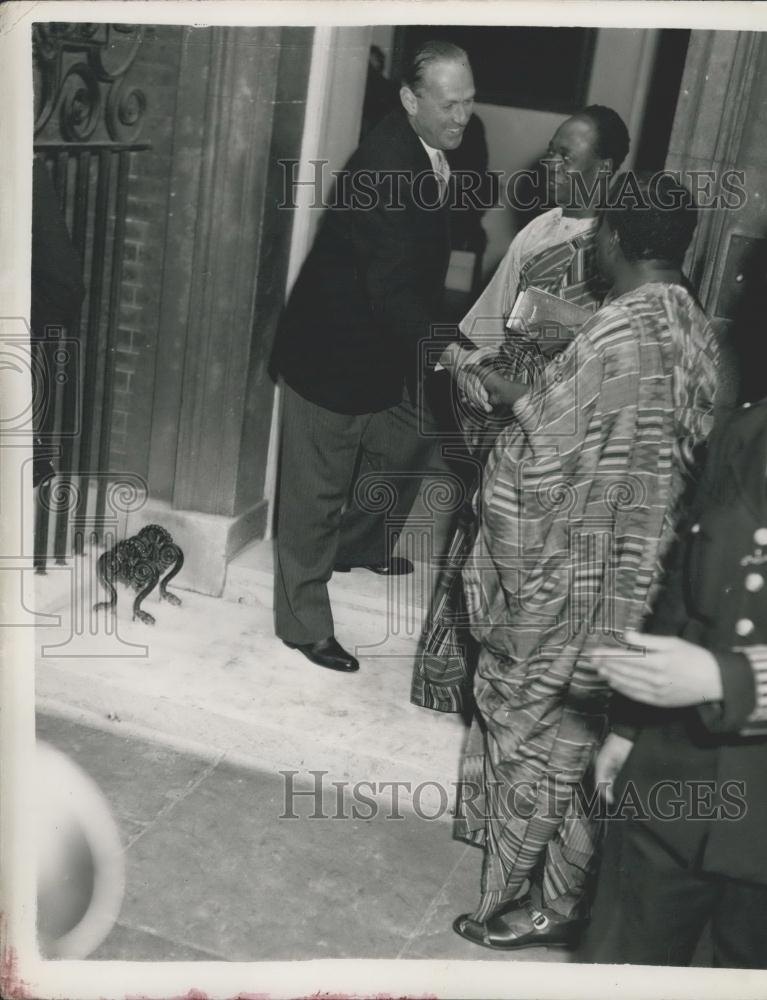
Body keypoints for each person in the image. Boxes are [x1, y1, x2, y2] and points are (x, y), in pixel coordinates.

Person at [447, 172, 722, 950]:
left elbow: (537, 460)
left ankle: (517, 900)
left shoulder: (616, 331)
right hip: (645, 576)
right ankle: (564, 895)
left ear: (620, 241)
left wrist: (501, 395)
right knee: (589, 731)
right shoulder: (689, 322)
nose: (590, 239)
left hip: (575, 578)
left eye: (598, 229)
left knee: (531, 725)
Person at [577, 267, 767, 969]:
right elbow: (682, 589)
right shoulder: (751, 429)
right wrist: (632, 727)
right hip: (676, 774)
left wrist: (730, 681)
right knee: (618, 964)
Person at [412, 105, 630, 713]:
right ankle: (450, 685)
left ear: (606, 168)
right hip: (502, 420)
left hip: (560, 434)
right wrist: (471, 370)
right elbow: (488, 318)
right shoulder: (540, 229)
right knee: (478, 540)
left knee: (526, 572)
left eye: (567, 156)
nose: (552, 165)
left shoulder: (620, 247)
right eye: (552, 153)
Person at [270, 41, 475, 674]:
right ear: (411, 101)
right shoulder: (387, 164)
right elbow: (390, 289)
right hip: (331, 353)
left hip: (379, 342)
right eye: (449, 104)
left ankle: (357, 545)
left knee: (410, 435)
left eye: (469, 102)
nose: (462, 117)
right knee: (316, 493)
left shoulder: (427, 147)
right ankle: (302, 622)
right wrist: (457, 356)